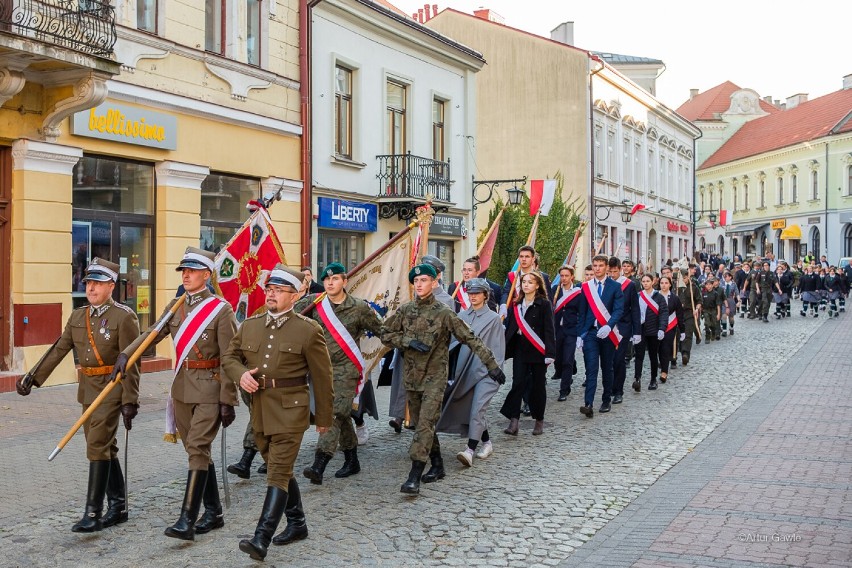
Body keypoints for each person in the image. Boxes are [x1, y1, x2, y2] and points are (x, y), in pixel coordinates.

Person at [113, 247, 237, 541]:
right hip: (181, 388)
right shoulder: (177, 305)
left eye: (192, 270)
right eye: (184, 270)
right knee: (196, 451)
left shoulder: (221, 309)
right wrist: (126, 354)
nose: (186, 275)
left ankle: (186, 520)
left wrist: (228, 400)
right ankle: (214, 511)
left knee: (196, 447)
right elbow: (152, 334)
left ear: (207, 275)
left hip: (210, 386)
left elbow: (231, 356)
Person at [16, 258, 140, 533]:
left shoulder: (124, 316)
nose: (92, 288)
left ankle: (92, 513)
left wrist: (130, 399)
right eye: (89, 283)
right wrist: (32, 377)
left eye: (98, 283)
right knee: (104, 447)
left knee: (97, 445)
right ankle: (118, 505)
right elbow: (59, 348)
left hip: (111, 388)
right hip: (87, 388)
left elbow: (132, 360)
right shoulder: (77, 316)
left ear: (111, 286)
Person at [223, 265, 334, 560]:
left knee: (277, 472)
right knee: (279, 469)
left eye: (279, 290)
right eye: (269, 289)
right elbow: (230, 357)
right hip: (260, 410)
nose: (271, 294)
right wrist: (241, 374)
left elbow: (323, 378)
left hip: (291, 412)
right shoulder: (250, 325)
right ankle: (297, 523)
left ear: (296, 295)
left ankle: (261, 538)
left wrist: (324, 418)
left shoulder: (309, 331)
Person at [380, 263, 504, 496]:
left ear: (434, 283)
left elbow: (471, 338)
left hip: (435, 378)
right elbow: (385, 333)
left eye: (424, 280)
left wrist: (492, 365)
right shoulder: (406, 310)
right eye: (416, 281)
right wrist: (406, 342)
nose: (419, 284)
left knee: (425, 424)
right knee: (422, 425)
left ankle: (414, 475)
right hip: (412, 378)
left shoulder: (444, 313)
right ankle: (437, 465)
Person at [296, 263, 383, 485]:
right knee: (343, 416)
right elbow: (290, 315)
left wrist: (406, 342)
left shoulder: (359, 308)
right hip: (322, 371)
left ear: (345, 281)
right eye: (327, 280)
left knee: (333, 413)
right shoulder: (314, 303)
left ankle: (319, 464)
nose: (330, 283)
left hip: (347, 371)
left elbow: (382, 330)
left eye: (335, 279)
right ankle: (352, 459)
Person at [436, 278, 506, 466]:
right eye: (471, 293)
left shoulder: (493, 319)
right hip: (465, 372)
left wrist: (496, 369)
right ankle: (487, 442)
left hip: (487, 372)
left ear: (485, 295)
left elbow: (498, 347)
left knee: (477, 409)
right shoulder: (463, 316)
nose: (473, 296)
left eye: (477, 293)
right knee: (475, 410)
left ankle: (469, 450)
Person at [500, 271, 556, 435]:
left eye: (530, 282)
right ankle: (514, 421)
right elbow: (512, 327)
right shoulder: (517, 304)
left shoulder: (544, 304)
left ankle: (539, 420)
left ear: (537, 285)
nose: (526, 284)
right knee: (518, 383)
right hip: (520, 348)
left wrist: (550, 353)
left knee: (538, 386)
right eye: (524, 282)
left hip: (538, 350)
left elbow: (549, 329)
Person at [576, 255, 624, 417]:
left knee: (607, 367)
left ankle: (606, 400)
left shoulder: (615, 287)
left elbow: (618, 310)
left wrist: (609, 326)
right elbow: (582, 312)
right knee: (591, 368)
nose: (597, 268)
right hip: (591, 332)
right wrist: (580, 334)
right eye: (595, 265)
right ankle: (588, 403)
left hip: (607, 333)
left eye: (600, 265)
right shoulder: (586, 287)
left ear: (606, 268)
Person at [609, 258, 640, 405]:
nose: (613, 274)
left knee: (619, 359)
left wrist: (637, 331)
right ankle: (609, 388)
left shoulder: (629, 285)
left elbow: (635, 309)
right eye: (611, 271)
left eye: (616, 271)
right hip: (607, 326)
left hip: (623, 327)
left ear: (620, 269)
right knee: (608, 360)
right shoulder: (605, 284)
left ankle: (618, 391)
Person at [552, 266, 582, 401]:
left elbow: (581, 313)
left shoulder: (578, 293)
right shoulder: (555, 291)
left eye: (566, 276)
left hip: (571, 330)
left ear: (572, 277)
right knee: (557, 358)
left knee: (567, 360)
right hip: (557, 330)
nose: (563, 278)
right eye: (562, 276)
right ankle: (569, 370)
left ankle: (564, 390)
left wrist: (580, 332)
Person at [633, 274, 668, 391]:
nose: (645, 283)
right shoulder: (638, 296)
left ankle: (653, 379)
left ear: (653, 282)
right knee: (639, 355)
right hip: (641, 330)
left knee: (653, 356)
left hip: (654, 330)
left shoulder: (659, 297)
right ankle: (637, 379)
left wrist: (662, 329)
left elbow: (663, 313)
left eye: (648, 281)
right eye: (643, 281)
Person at [501, 245, 552, 314]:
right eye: (521, 256)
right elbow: (506, 293)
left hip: (535, 315)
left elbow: (548, 298)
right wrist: (503, 304)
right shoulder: (512, 275)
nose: (524, 259)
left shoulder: (542, 277)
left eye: (527, 256)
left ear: (533, 259)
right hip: (515, 315)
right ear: (518, 258)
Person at [657, 276, 684, 384]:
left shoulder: (674, 298)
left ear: (670, 285)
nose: (664, 285)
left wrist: (682, 330)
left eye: (666, 283)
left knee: (666, 349)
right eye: (662, 283)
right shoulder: (655, 296)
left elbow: (680, 315)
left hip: (670, 326)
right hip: (656, 326)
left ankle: (664, 371)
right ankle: (659, 366)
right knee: (658, 349)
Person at [677, 264, 702, 365]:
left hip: (689, 313)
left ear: (688, 277)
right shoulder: (676, 288)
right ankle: (679, 350)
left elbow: (699, 300)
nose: (684, 280)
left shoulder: (693, 288)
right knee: (679, 334)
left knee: (688, 334)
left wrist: (696, 308)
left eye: (685, 278)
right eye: (682, 278)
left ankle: (685, 354)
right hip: (678, 314)